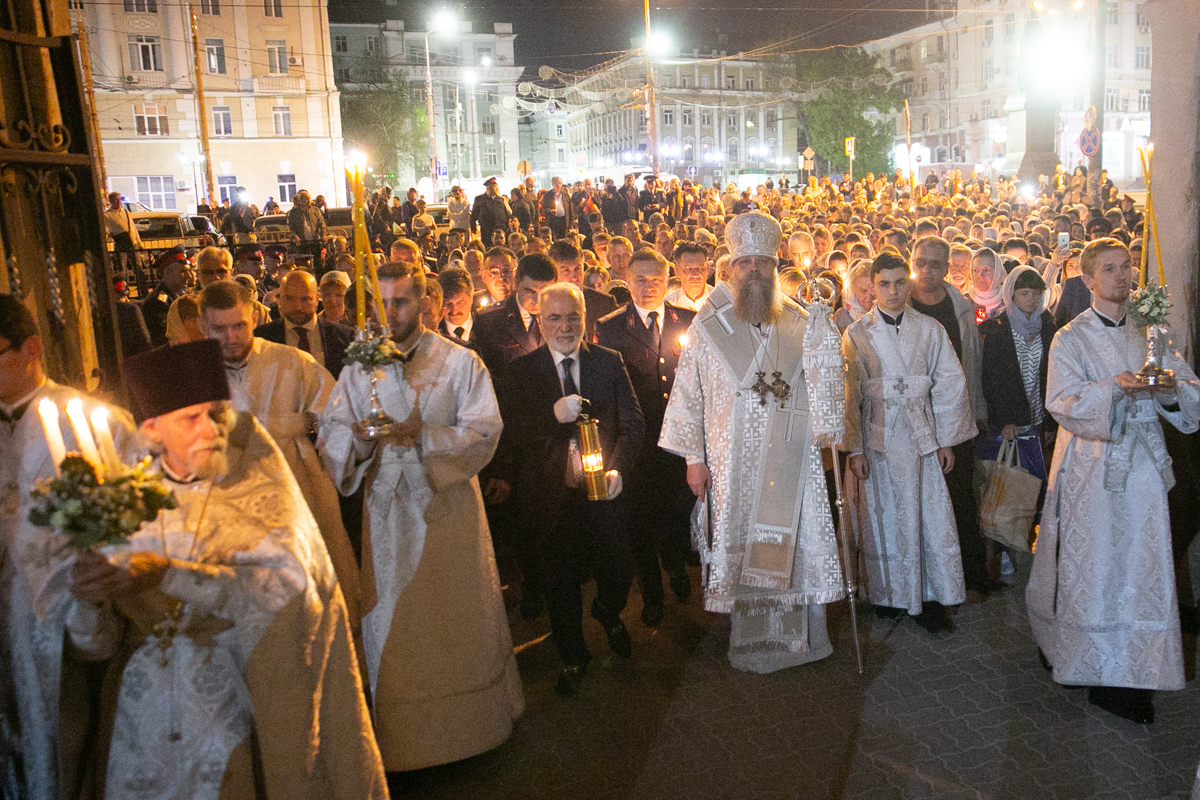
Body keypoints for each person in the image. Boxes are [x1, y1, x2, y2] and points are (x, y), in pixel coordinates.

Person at [67, 338, 386, 799]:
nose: (212, 428)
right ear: (153, 430)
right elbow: (94, 646)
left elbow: (290, 588)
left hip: (244, 700)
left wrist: (167, 574)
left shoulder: (256, 477)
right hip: (143, 720)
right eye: (190, 418)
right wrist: (89, 598)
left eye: (217, 412)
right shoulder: (120, 503)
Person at [320, 260, 524, 769]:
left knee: (454, 612)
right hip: (387, 513)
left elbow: (485, 433)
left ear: (425, 301)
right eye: (384, 303)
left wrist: (424, 435)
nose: (393, 313)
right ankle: (401, 740)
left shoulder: (460, 364)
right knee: (391, 613)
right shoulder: (358, 367)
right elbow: (332, 434)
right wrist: (361, 440)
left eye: (403, 302)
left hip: (447, 509)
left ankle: (471, 729)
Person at [658, 211, 847, 673]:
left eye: (763, 262)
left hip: (791, 456)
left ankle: (802, 639)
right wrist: (693, 458)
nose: (755, 271)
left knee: (793, 542)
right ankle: (754, 642)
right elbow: (689, 397)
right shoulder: (708, 327)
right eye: (746, 264)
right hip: (731, 461)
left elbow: (827, 381)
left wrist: (827, 336)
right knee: (748, 544)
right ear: (730, 269)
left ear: (776, 265)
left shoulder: (803, 321)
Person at [1027, 239, 1200, 725]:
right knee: (1099, 568)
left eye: (1127, 268)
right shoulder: (1071, 338)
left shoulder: (1152, 329)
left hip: (1143, 470)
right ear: (1088, 280)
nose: (1122, 276)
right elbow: (1061, 401)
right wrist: (1113, 388)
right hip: (1092, 470)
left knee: (1142, 565)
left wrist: (1168, 389)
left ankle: (1137, 668)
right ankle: (1096, 668)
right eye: (1110, 269)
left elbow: (1187, 387)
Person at [0, 295, 137, 800]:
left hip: (64, 620)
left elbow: (137, 517)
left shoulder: (95, 424)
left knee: (69, 747)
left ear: (30, 348)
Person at [492, 282, 644, 695]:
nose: (564, 326)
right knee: (560, 587)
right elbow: (511, 434)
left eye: (572, 317)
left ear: (585, 319)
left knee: (618, 570)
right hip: (550, 499)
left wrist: (618, 470)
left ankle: (607, 610)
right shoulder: (522, 372)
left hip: (603, 493)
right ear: (540, 322)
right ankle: (574, 657)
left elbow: (633, 423)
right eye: (554, 318)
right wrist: (550, 416)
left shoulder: (609, 363)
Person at [198, 279, 364, 649]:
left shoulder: (290, 360)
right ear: (201, 326)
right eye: (219, 329)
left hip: (299, 488)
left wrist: (305, 425)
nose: (230, 337)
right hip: (228, 501)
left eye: (238, 325)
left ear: (255, 317)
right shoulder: (192, 374)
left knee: (312, 591)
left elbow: (336, 413)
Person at [841, 252, 976, 632]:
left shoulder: (931, 329)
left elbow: (950, 383)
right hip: (879, 441)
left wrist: (947, 439)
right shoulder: (856, 333)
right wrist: (854, 449)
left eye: (901, 282)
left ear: (909, 283)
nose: (893, 291)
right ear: (873, 285)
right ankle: (889, 595)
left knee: (927, 515)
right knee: (883, 517)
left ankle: (930, 594)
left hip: (921, 439)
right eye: (884, 284)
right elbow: (849, 394)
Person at [595, 249, 696, 627]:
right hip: (636, 439)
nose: (648, 286)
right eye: (640, 279)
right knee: (638, 521)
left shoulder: (686, 320)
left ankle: (674, 564)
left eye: (655, 279)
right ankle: (652, 593)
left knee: (674, 511)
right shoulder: (611, 327)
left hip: (675, 437)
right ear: (627, 278)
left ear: (667, 280)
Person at [907, 235, 992, 598]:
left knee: (961, 496)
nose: (927, 271)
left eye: (935, 264)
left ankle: (971, 574)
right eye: (920, 262)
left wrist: (977, 410)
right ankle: (923, 584)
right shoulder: (901, 301)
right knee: (918, 501)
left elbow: (972, 362)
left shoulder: (959, 306)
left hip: (955, 417)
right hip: (912, 420)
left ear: (948, 268)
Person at [979, 267, 1057, 505]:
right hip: (1012, 419)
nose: (1031, 299)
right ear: (1011, 294)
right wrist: (1004, 419)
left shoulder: (1047, 324)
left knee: (1040, 479)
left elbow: (1052, 373)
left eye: (1035, 293)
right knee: (1015, 483)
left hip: (1039, 414)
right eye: (1024, 293)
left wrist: (1052, 419)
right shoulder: (998, 329)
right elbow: (992, 380)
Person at [254, 269, 354, 378]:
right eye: (290, 299)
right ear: (280, 299)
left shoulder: (345, 338)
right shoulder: (261, 338)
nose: (297, 307)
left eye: (305, 299)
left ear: (317, 299)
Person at [546, 239, 617, 340]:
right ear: (554, 271)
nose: (574, 276)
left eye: (577, 269)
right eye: (566, 270)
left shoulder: (604, 304)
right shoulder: (543, 304)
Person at [140, 246, 193, 347]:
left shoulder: (179, 294)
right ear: (168, 272)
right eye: (183, 272)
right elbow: (165, 338)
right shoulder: (158, 302)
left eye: (188, 271)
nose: (189, 276)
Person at [665, 241, 712, 312]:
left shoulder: (720, 300)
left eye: (700, 268)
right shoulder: (668, 306)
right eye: (689, 269)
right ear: (676, 271)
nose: (695, 274)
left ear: (707, 269)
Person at [287, 189, 327, 263]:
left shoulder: (315, 210)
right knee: (303, 261)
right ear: (300, 201)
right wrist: (295, 236)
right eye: (305, 199)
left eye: (308, 199)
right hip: (302, 241)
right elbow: (291, 227)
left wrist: (323, 234)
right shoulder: (294, 212)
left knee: (317, 261)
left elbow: (322, 223)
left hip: (315, 240)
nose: (307, 201)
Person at [437, 267, 476, 343]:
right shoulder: (434, 334)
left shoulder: (488, 328)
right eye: (448, 304)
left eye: (460, 303)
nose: (454, 311)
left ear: (471, 298)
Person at [969, 247, 1008, 321]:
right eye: (976, 270)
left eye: (986, 270)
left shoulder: (1008, 301)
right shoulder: (964, 301)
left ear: (997, 272)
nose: (980, 275)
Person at [471, 177, 511, 246]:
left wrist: (507, 227)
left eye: (496, 186)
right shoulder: (480, 199)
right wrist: (473, 229)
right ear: (488, 187)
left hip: (500, 228)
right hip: (487, 229)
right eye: (494, 186)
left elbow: (507, 213)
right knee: (488, 246)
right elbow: (473, 215)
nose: (496, 188)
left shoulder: (501, 199)